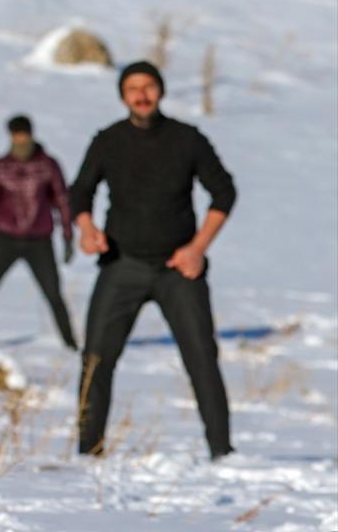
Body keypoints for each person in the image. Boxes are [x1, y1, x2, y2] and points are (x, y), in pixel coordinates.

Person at [70, 61, 236, 460]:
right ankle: (88, 454)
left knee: (201, 359)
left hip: (178, 269)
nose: (141, 94)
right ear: (123, 95)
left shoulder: (187, 139)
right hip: (121, 265)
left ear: (160, 91)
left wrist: (198, 248)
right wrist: (87, 229)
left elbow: (224, 193)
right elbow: (80, 193)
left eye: (148, 87)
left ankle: (222, 453)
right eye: (132, 88)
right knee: (95, 360)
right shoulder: (108, 140)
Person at [0, 115, 78, 350]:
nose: (21, 140)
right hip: (6, 239)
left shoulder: (47, 165)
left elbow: (63, 200)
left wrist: (67, 236)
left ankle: (70, 343)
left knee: (53, 293)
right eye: (16, 135)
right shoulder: (0, 166)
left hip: (39, 240)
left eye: (24, 135)